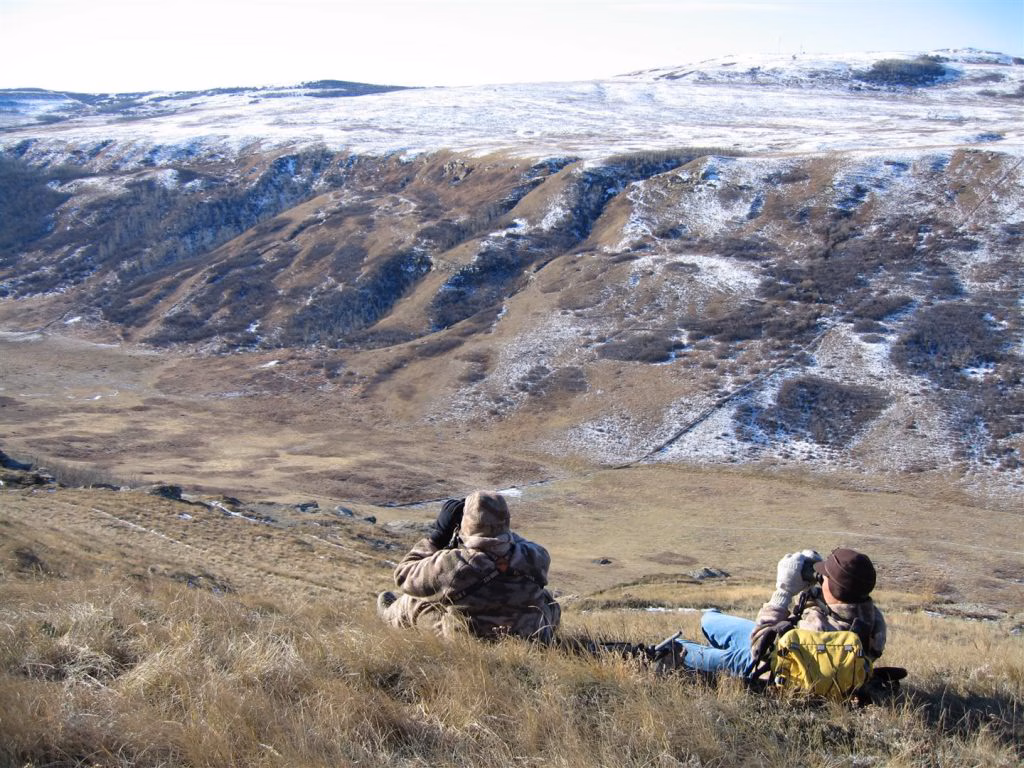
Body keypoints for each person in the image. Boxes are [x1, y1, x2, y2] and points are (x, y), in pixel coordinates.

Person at [376, 490, 561, 642]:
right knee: (547, 599)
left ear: (466, 524)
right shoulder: (535, 556)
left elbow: (403, 575)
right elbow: (511, 541)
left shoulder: (453, 563)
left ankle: (389, 615)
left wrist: (438, 535)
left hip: (466, 642)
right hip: (530, 638)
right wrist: (497, 529)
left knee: (414, 600)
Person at [679, 547, 887, 678]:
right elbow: (839, 601)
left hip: (764, 664)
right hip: (793, 650)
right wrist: (816, 585)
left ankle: (706, 656)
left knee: (680, 649)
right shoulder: (872, 619)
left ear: (830, 587)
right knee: (710, 619)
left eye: (824, 576)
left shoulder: (815, 626)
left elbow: (758, 647)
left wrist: (784, 591)